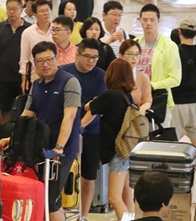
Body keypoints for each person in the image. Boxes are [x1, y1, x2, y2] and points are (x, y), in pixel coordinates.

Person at [0, 41, 81, 221]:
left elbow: (70, 117)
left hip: (61, 151)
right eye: (40, 60)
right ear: (34, 63)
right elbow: (27, 115)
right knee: (39, 195)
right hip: (39, 149)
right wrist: (12, 139)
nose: (45, 64)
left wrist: (59, 147)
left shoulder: (69, 82)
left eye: (49, 59)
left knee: (50, 199)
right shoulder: (36, 84)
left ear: (56, 58)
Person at [82, 59, 138, 220]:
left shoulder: (110, 95)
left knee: (114, 197)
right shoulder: (127, 96)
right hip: (128, 149)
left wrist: (92, 101)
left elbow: (89, 108)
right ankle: (130, 219)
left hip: (117, 152)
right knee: (127, 193)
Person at [60, 38, 106, 220]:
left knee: (88, 175)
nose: (91, 61)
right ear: (77, 54)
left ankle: (84, 215)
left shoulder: (101, 76)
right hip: (65, 128)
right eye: (87, 56)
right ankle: (60, 210)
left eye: (95, 57)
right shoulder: (64, 72)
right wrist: (69, 127)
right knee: (63, 171)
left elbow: (96, 107)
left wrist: (80, 126)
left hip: (91, 130)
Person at [0, 0, 31, 124]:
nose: (11, 12)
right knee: (4, 109)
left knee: (23, 109)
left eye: (15, 9)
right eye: (9, 9)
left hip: (23, 77)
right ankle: (3, 135)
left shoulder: (29, 29)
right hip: (3, 76)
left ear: (21, 9)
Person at [135, 4, 182, 127]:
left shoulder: (169, 46)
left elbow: (175, 79)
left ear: (158, 21)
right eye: (145, 20)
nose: (148, 23)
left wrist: (151, 85)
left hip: (159, 101)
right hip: (136, 100)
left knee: (158, 141)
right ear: (140, 21)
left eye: (152, 20)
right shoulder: (135, 44)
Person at [19, 0, 54, 92]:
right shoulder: (28, 33)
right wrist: (24, 79)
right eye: (42, 11)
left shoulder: (57, 30)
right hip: (36, 76)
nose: (46, 13)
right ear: (34, 14)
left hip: (56, 75)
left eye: (48, 10)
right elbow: (24, 59)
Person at [173, 18, 196, 144]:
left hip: (178, 102)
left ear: (180, 32)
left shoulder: (175, 52)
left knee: (174, 140)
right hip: (195, 101)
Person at [118, 40, 153, 116]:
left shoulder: (143, 78)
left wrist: (141, 111)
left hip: (135, 119)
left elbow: (147, 101)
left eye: (137, 54)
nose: (134, 58)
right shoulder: (114, 75)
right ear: (121, 55)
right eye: (130, 54)